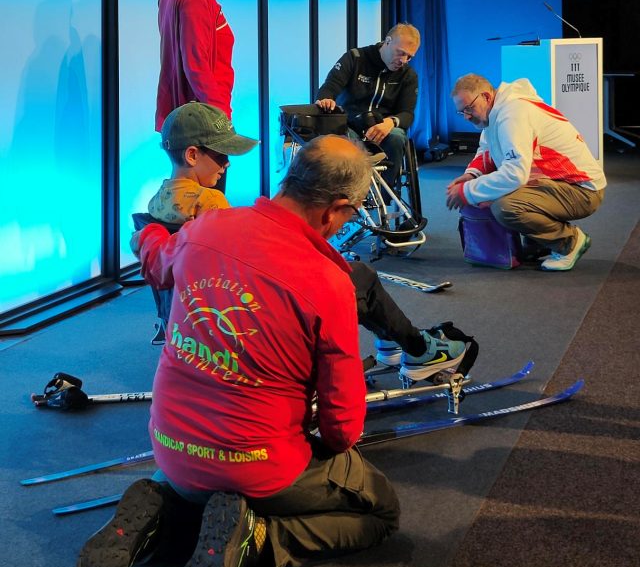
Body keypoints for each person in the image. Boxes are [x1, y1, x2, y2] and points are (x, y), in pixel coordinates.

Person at [76, 135, 400, 567]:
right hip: (258, 464)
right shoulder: (329, 281)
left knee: (203, 481)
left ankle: (164, 517)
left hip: (172, 449)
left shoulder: (205, 229)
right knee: (381, 512)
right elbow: (342, 427)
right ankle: (261, 540)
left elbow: (156, 260)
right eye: (351, 214)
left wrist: (147, 232)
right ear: (334, 210)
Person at [147, 102, 471, 380]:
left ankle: (392, 339)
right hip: (251, 316)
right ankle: (416, 348)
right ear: (192, 154)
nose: (227, 163)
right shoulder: (213, 209)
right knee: (361, 277)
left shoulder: (154, 207)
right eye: (221, 155)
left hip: (196, 321)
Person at [446, 74, 606, 271]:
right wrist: (472, 175)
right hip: (559, 183)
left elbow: (515, 174)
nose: (467, 117)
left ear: (486, 97)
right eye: (461, 112)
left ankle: (569, 243)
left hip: (582, 191)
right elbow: (487, 149)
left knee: (505, 207)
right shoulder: (497, 112)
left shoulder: (513, 113)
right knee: (496, 192)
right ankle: (538, 243)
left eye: (469, 108)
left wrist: (467, 191)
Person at [155, 0, 236, 190]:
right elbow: (196, 64)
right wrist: (220, 116)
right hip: (203, 119)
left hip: (193, 113)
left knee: (196, 203)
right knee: (206, 208)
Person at [315, 23, 421, 188]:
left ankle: (384, 194)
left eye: (409, 57)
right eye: (400, 53)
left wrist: (390, 122)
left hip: (382, 128)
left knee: (398, 136)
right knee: (343, 141)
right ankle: (350, 192)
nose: (403, 61)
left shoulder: (408, 75)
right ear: (387, 41)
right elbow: (329, 88)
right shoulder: (355, 58)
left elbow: (407, 113)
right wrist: (326, 99)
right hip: (349, 126)